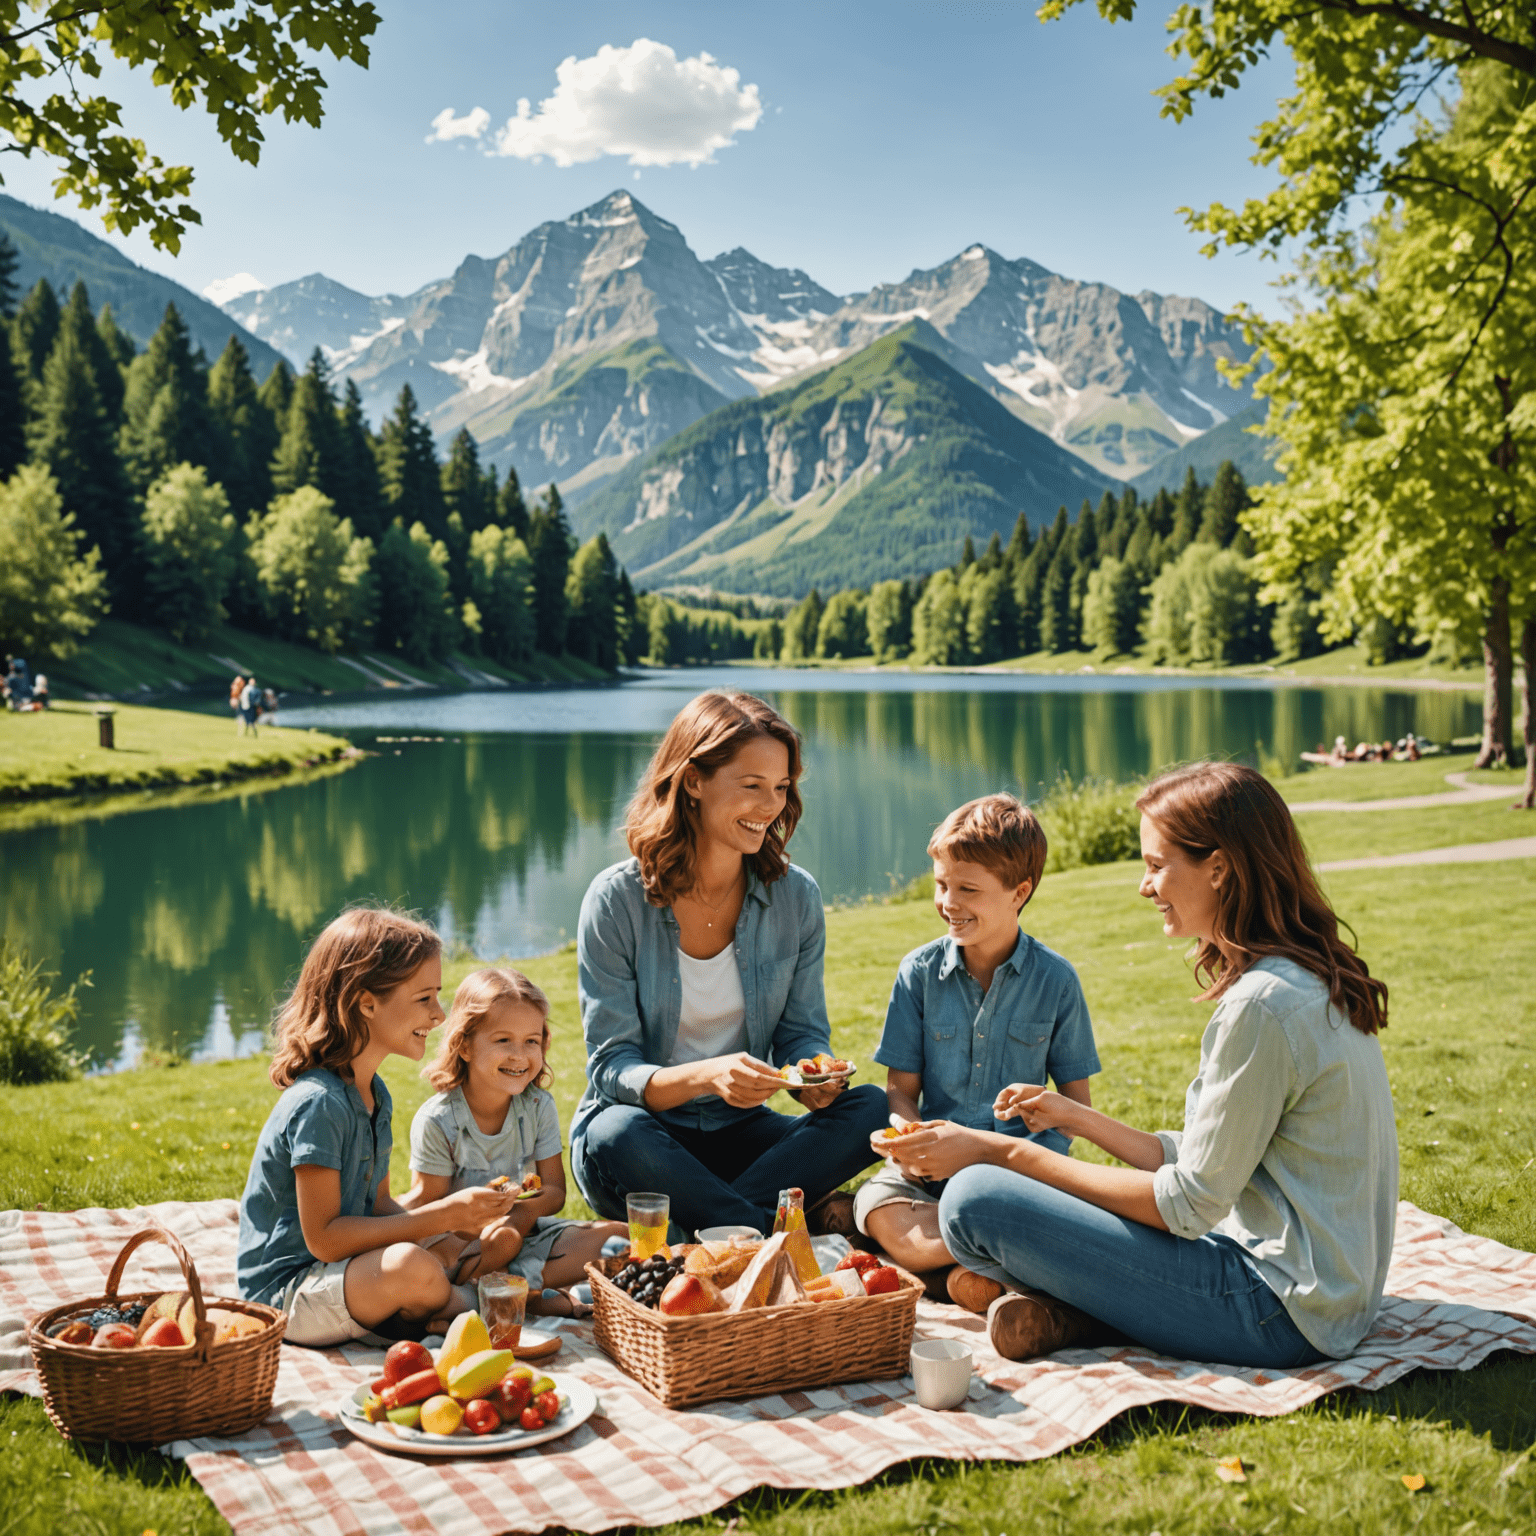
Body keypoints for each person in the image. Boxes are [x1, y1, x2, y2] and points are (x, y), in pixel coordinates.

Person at [936, 761, 1397, 1369]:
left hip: (1277, 1312)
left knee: (975, 1199)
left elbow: (1187, 1205)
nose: (1144, 885)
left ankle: (1076, 1311)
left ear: (1219, 868)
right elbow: (1212, 1167)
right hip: (1329, 1300)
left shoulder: (1262, 1006)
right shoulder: (1300, 978)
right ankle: (1070, 1317)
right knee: (1004, 1199)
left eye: (1156, 865)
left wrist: (1007, 1153)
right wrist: (1077, 1118)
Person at [570, 691, 887, 1241]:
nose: (771, 807)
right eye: (752, 786)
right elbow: (611, 1069)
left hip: (742, 1135)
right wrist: (706, 1076)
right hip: (646, 1142)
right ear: (693, 780)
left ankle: (716, 1227)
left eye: (781, 788)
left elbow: (801, 1034)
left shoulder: (795, 898)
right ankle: (768, 1228)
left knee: (870, 1109)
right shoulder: (616, 900)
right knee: (614, 1133)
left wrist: (811, 1076)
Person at [855, 793, 1099, 1310]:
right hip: (931, 1177)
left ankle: (959, 1273)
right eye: (942, 885)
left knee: (1029, 1211)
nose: (949, 903)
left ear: (1020, 891)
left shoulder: (1056, 980)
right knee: (877, 1207)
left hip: (1018, 1173)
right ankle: (995, 1267)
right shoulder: (917, 974)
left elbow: (1080, 1109)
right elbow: (900, 1090)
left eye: (968, 889)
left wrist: (1044, 1126)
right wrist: (909, 1139)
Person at [237, 906, 520, 1345]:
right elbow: (325, 1240)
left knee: (450, 1246)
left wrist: (451, 1227)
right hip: (286, 1295)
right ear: (367, 1002)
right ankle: (481, 1307)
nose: (440, 1015)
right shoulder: (319, 1104)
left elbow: (380, 1203)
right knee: (411, 1266)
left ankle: (441, 1310)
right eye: (424, 998)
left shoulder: (375, 1094)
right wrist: (437, 1216)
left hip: (346, 1273)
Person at [405, 966, 626, 1315]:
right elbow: (426, 1208)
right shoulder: (440, 1120)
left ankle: (502, 1289)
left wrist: (518, 1219)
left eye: (531, 1041)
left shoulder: (537, 1106)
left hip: (523, 1235)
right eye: (503, 1040)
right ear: (464, 1045)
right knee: (434, 1265)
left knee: (620, 1240)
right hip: (455, 1245)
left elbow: (553, 1192)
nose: (519, 1055)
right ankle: (508, 1291)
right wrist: (479, 1232)